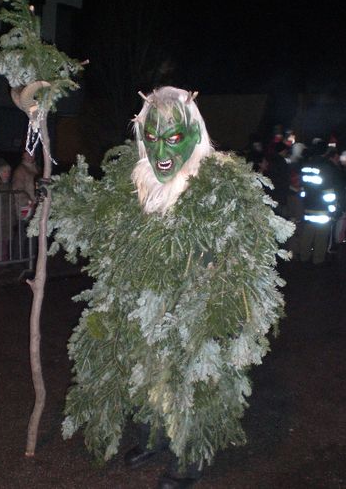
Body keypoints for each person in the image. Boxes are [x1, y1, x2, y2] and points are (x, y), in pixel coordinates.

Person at [49, 86, 294, 489]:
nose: (162, 150)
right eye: (152, 136)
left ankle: (191, 459)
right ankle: (156, 440)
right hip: (148, 308)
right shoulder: (137, 184)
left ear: (195, 136)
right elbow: (98, 215)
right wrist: (60, 195)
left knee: (191, 387)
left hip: (194, 311)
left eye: (174, 138)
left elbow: (247, 253)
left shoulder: (221, 185)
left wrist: (219, 299)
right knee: (149, 382)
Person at [298, 140, 337, 265]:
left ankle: (303, 256)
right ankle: (318, 260)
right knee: (321, 235)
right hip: (322, 208)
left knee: (307, 233)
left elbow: (303, 187)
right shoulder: (326, 166)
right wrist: (332, 208)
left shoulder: (306, 165)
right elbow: (328, 190)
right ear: (325, 151)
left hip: (308, 205)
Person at [12, 150, 39, 221]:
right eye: (28, 154)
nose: (30, 156)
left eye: (32, 153)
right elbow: (17, 189)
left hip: (37, 206)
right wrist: (28, 201)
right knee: (25, 228)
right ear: (23, 155)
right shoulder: (20, 170)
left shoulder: (37, 169)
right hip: (25, 206)